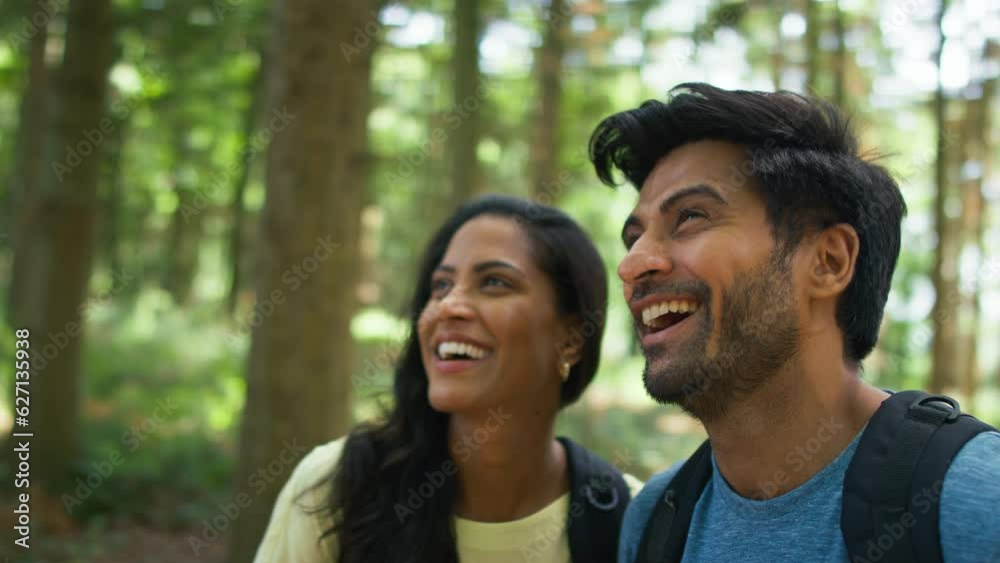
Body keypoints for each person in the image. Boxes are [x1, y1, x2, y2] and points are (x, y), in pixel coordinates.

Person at [587, 83, 1000, 563]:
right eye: (633, 237)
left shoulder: (974, 505)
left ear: (828, 261)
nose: (632, 264)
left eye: (690, 217)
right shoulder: (656, 519)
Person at [253, 194, 642, 563]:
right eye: (441, 286)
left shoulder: (632, 518)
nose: (449, 306)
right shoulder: (335, 487)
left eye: (494, 282)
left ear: (572, 339)